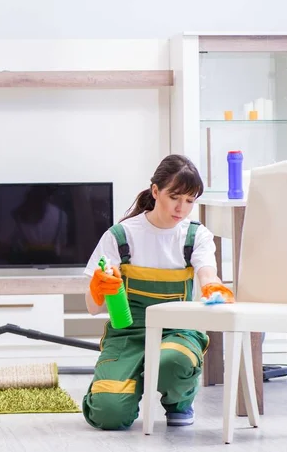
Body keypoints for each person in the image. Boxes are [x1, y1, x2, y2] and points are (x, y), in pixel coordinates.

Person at [82, 154, 234, 430]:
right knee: (108, 414)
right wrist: (98, 287)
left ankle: (179, 402)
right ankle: (125, 381)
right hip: (128, 333)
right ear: (155, 191)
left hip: (178, 331)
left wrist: (212, 286)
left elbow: (207, 273)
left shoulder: (195, 236)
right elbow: (93, 308)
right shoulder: (121, 236)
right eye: (175, 197)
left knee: (171, 360)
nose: (182, 208)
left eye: (190, 200)